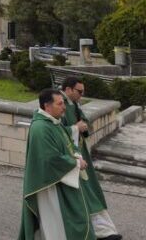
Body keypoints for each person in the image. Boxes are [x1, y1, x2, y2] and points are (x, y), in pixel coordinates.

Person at [19, 89, 94, 240]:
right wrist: (76, 163)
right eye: (60, 104)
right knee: (55, 224)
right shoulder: (41, 128)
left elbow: (67, 144)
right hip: (48, 185)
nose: (64, 107)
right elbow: (50, 159)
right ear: (47, 106)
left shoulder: (54, 122)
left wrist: (77, 155)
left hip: (59, 179)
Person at [59, 77, 122, 240]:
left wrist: (83, 126)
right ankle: (99, 231)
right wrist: (75, 128)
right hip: (70, 156)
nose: (82, 94)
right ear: (68, 90)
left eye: (83, 91)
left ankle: (103, 230)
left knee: (90, 191)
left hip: (80, 153)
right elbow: (54, 132)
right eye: (79, 91)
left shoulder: (74, 104)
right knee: (83, 193)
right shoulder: (61, 104)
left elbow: (83, 120)